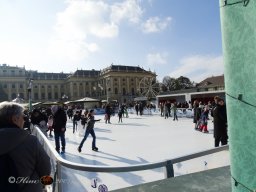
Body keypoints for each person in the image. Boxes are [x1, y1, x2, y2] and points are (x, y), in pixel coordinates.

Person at [0, 102, 51, 192]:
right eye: (24, 117)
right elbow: (45, 170)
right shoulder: (31, 141)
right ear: (15, 119)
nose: (25, 120)